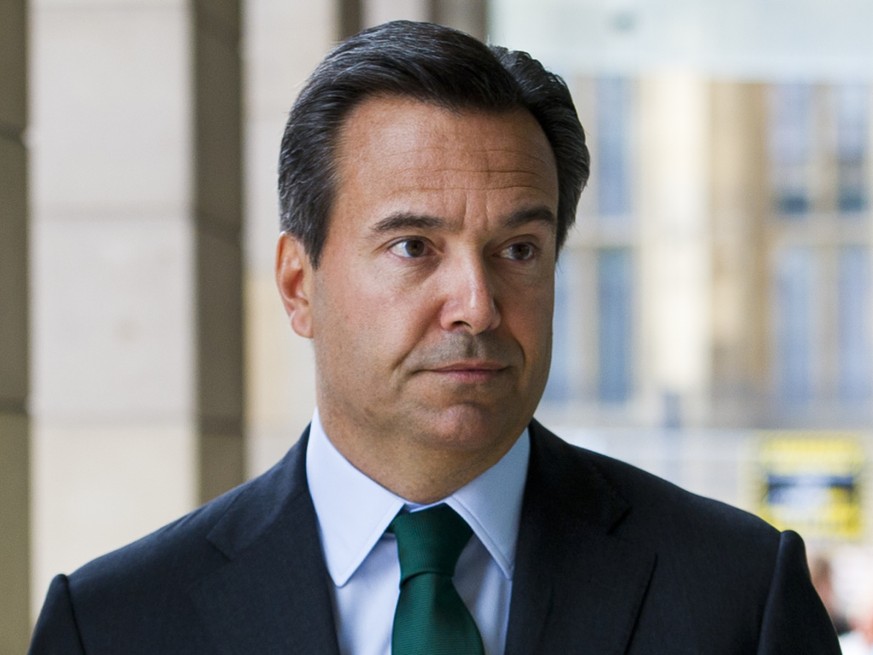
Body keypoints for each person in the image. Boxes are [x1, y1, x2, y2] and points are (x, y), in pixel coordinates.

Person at [29, 20, 840, 655]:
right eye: (413, 246)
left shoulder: (737, 595)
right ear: (298, 284)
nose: (477, 306)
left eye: (518, 250)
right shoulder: (112, 625)